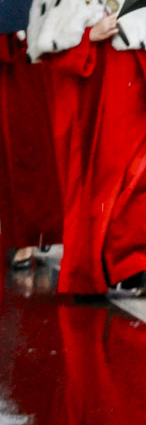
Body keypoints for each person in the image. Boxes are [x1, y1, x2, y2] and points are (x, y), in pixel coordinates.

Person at [26, 0, 146, 298]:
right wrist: (87, 37)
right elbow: (46, 46)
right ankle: (89, 269)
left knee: (143, 178)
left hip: (140, 90)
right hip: (91, 95)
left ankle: (138, 264)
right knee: (98, 182)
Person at [0, 25, 64, 273]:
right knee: (19, 146)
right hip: (15, 58)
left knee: (51, 146)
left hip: (47, 53)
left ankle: (47, 230)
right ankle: (26, 235)